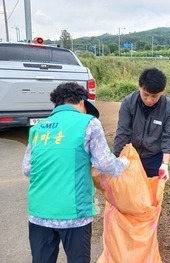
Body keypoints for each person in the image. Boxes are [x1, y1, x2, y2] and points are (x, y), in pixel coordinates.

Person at [21, 82, 129, 263]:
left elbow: (27, 169)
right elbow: (104, 163)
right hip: (74, 214)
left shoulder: (37, 129)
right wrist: (123, 164)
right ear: (81, 101)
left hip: (39, 212)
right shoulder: (89, 123)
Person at [113, 67, 170, 180]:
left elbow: (169, 137)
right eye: (145, 94)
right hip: (131, 157)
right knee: (128, 193)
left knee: (150, 196)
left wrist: (165, 164)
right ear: (139, 86)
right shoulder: (128, 103)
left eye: (154, 96)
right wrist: (118, 158)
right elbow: (123, 132)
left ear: (162, 91)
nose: (149, 100)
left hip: (154, 159)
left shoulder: (169, 108)